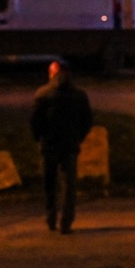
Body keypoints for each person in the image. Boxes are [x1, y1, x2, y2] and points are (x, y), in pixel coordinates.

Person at [30, 60, 93, 234]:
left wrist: (38, 138)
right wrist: (78, 138)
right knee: (69, 185)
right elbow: (87, 121)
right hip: (70, 145)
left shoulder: (42, 94)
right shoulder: (79, 95)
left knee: (49, 183)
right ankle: (66, 223)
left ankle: (50, 218)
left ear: (51, 74)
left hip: (48, 145)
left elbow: (35, 120)